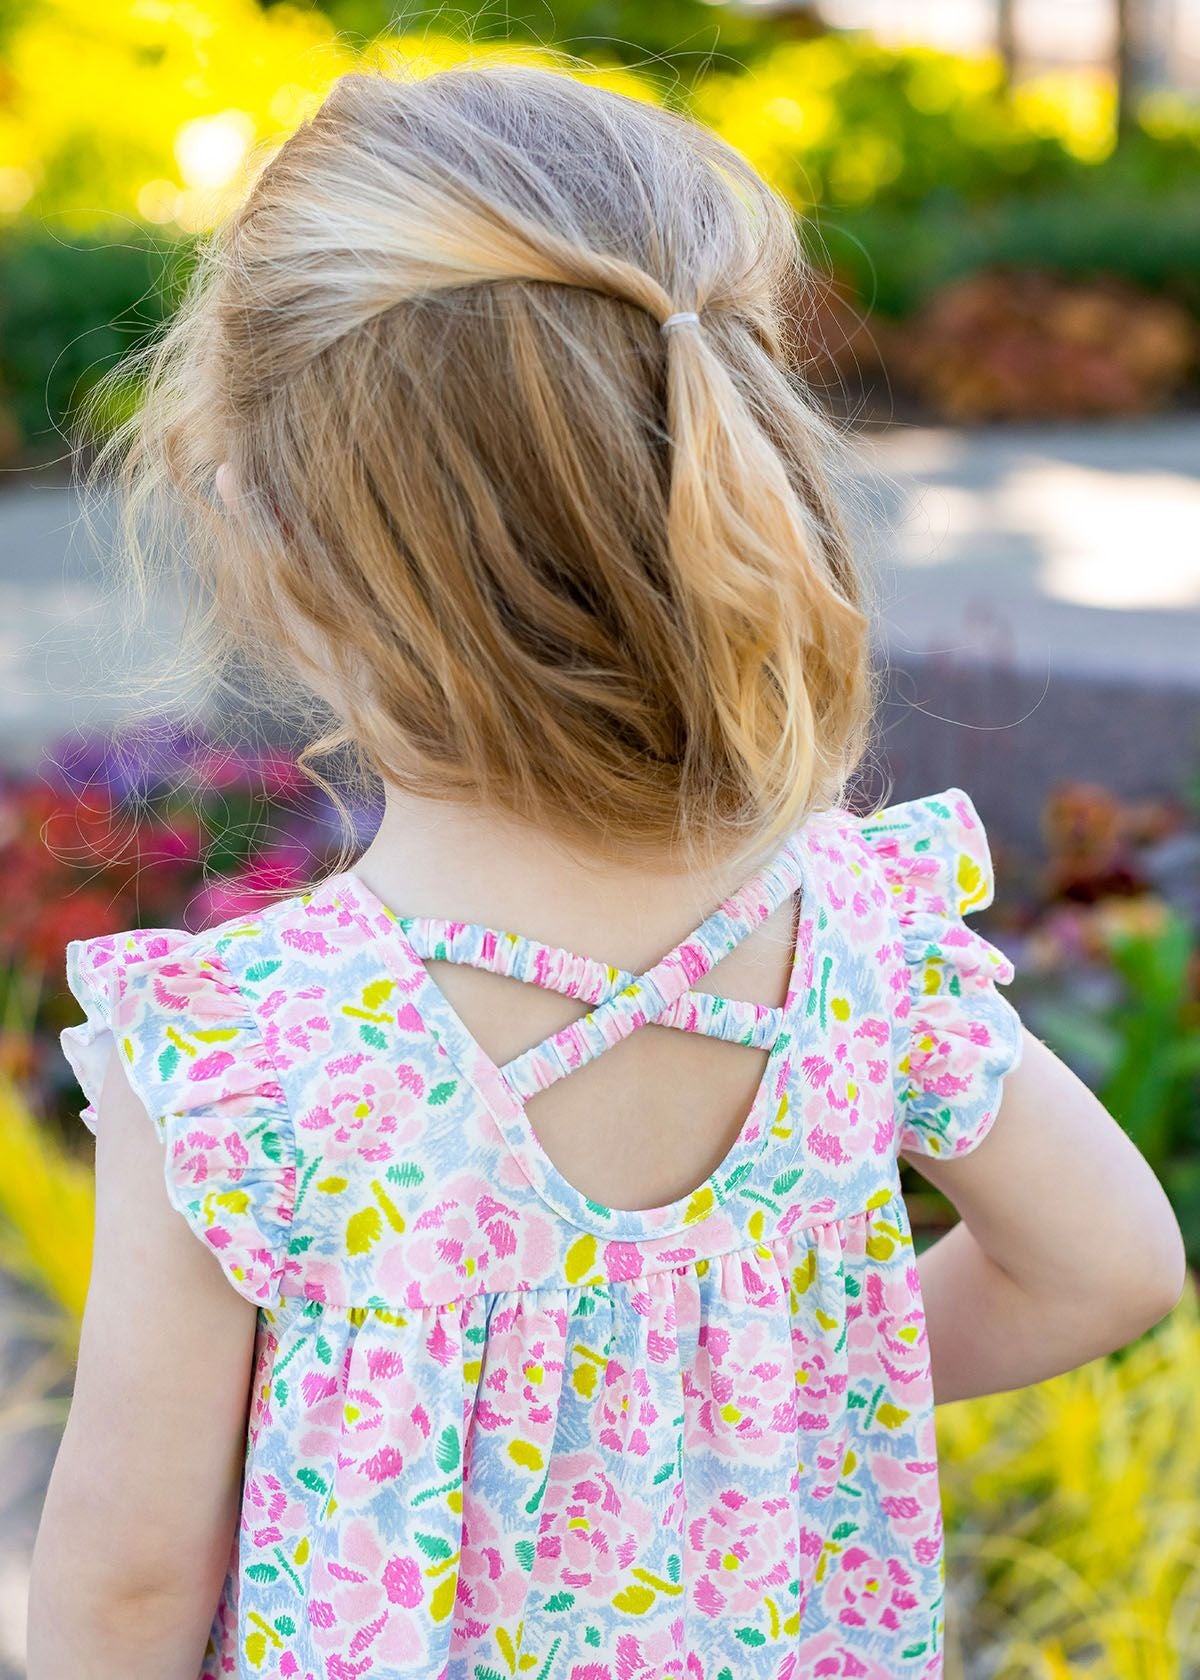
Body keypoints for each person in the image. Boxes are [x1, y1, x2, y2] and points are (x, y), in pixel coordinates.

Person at [28, 58, 1186, 1680]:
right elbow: (1110, 1262)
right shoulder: (851, 934)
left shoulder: (251, 1055)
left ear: (272, 531)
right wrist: (767, 1386)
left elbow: (129, 1588)